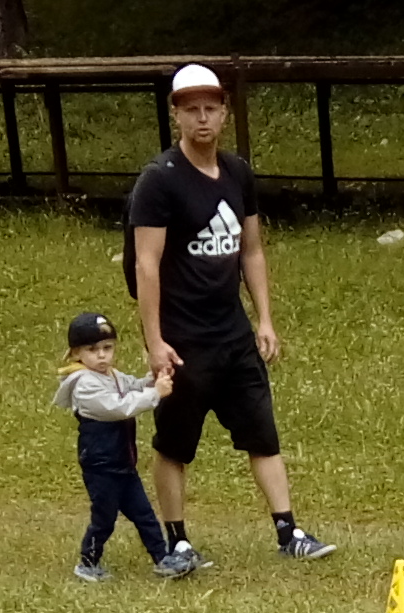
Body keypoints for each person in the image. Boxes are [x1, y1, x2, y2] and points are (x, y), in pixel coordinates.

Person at [124, 63, 335, 564]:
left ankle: (289, 532)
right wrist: (155, 341)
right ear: (176, 115)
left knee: (263, 433)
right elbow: (145, 264)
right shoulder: (159, 180)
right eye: (191, 110)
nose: (202, 119)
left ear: (224, 113)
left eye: (211, 109)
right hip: (184, 338)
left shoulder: (238, 172)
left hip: (232, 334)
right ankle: (177, 540)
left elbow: (251, 250)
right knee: (174, 443)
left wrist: (264, 319)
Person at [51, 311, 194, 582]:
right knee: (104, 518)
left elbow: (132, 387)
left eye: (107, 348)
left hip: (123, 462)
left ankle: (162, 558)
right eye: (92, 350)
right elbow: (119, 407)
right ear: (76, 354)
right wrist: (155, 393)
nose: (102, 356)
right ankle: (88, 561)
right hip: (101, 464)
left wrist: (153, 379)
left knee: (144, 514)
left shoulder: (111, 375)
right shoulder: (84, 385)